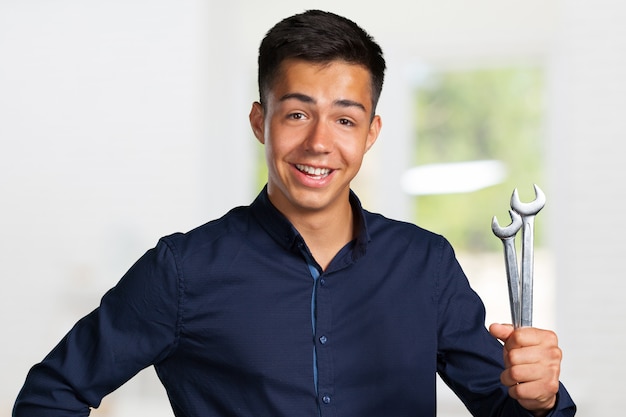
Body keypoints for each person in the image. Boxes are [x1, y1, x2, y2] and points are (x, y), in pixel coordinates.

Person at [13, 9, 576, 417]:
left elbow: (513, 410)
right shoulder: (181, 270)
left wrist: (542, 397)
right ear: (260, 121)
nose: (319, 144)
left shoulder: (425, 263)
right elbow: (51, 395)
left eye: (346, 119)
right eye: (298, 114)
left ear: (372, 133)